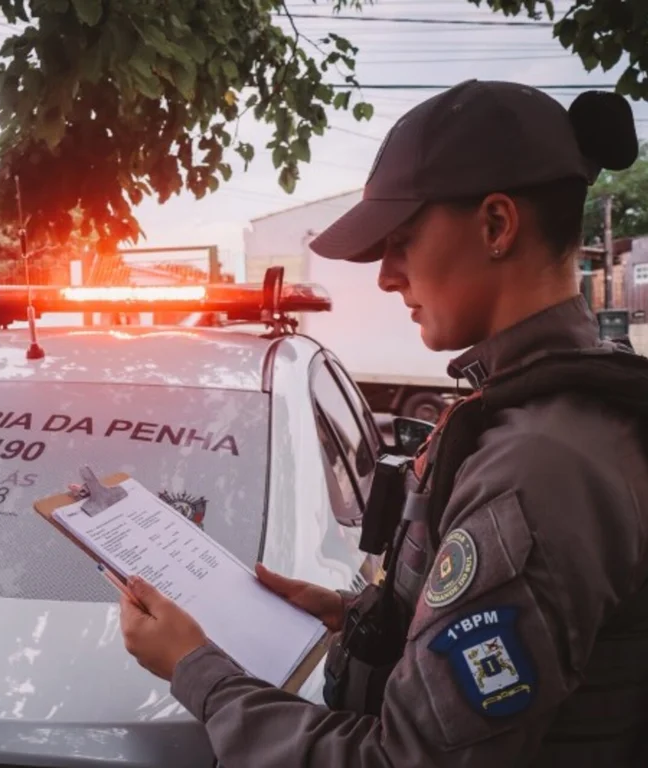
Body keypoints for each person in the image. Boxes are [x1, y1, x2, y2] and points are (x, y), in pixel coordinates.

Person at [118, 79, 648, 766]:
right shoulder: (538, 413)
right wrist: (355, 620)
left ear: (496, 225)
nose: (386, 277)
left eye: (402, 241)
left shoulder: (540, 467)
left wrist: (200, 674)